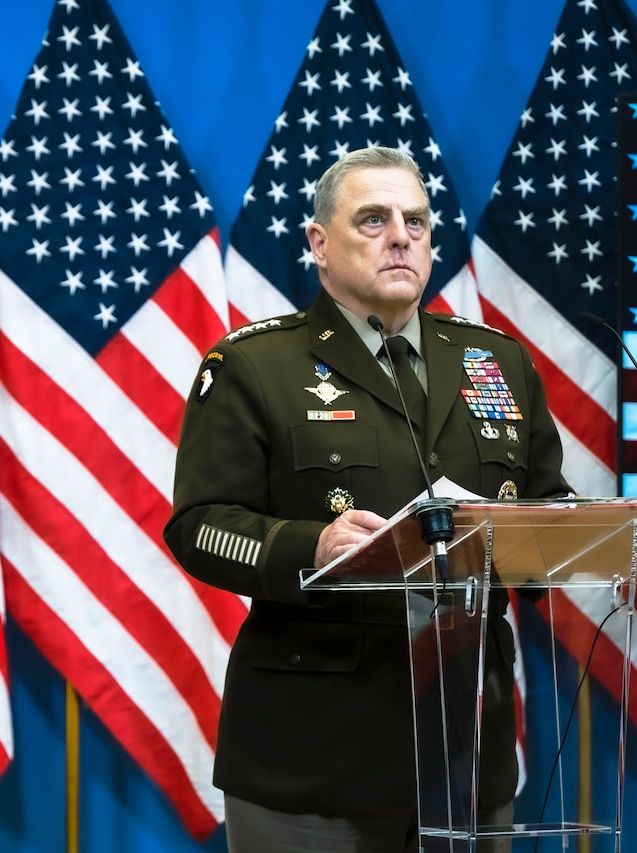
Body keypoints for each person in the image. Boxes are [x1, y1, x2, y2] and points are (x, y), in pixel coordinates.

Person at [163, 146, 572, 852]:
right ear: (319, 244)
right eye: (374, 219)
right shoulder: (255, 364)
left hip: (469, 750)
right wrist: (311, 546)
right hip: (317, 753)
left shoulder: (496, 361)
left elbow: (545, 507)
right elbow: (200, 525)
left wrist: (589, 550)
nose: (401, 237)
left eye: (415, 221)